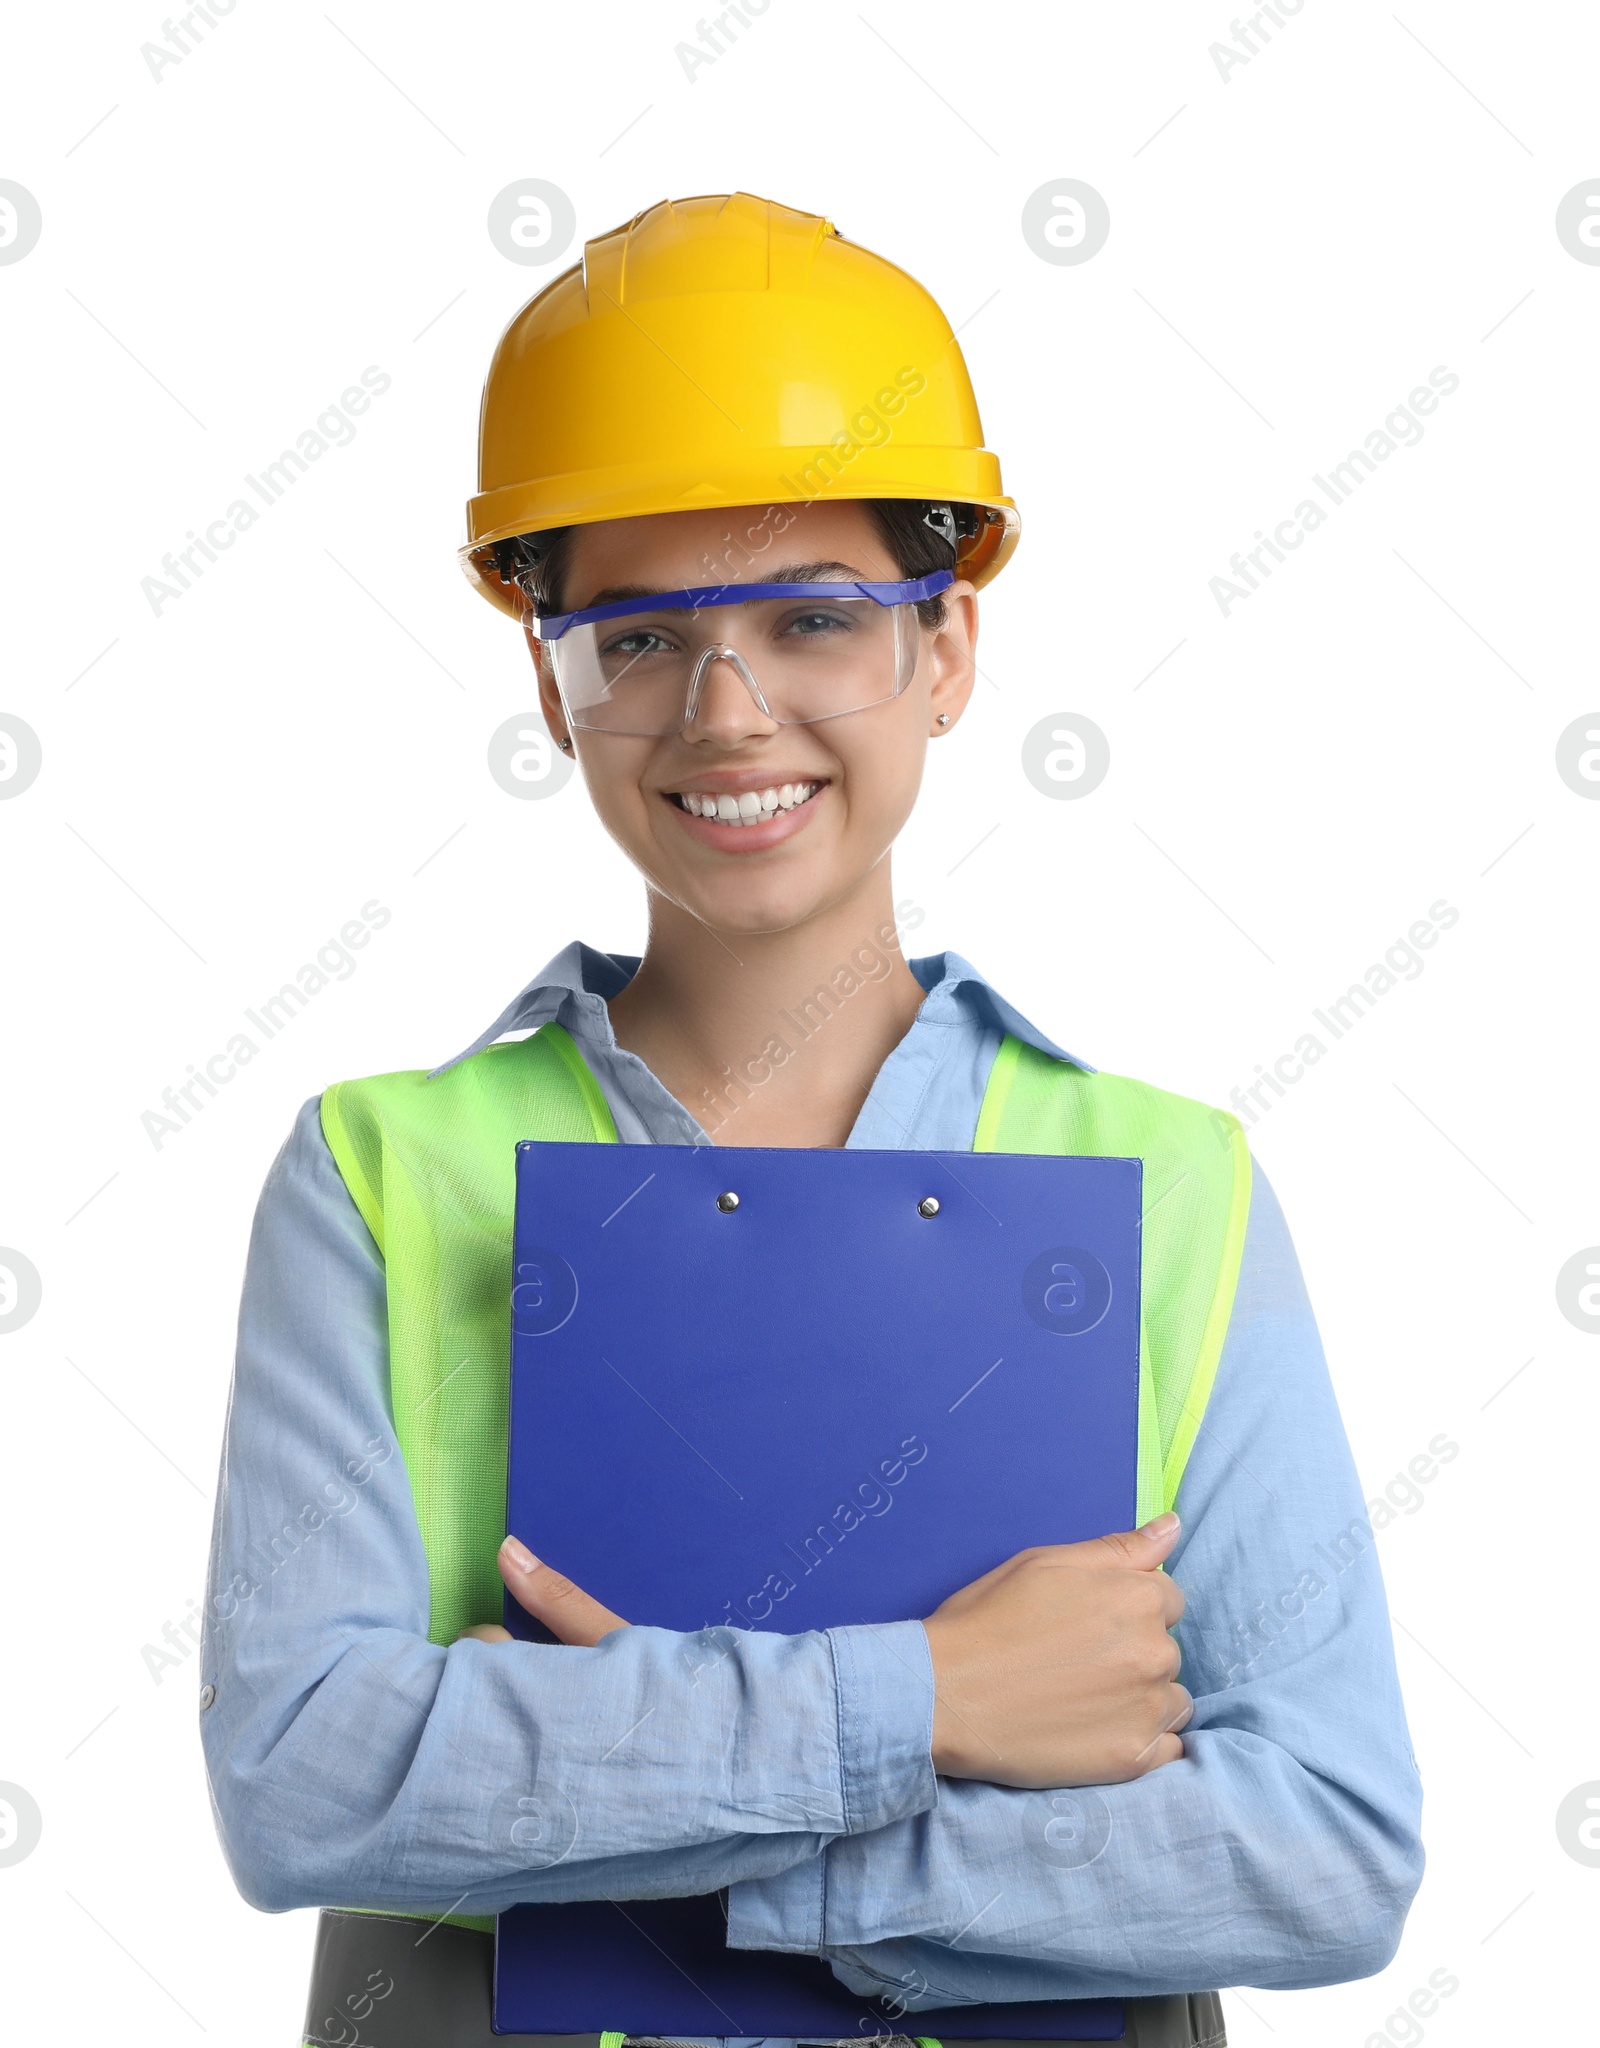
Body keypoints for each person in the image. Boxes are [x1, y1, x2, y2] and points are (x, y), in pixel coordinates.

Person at [200, 192, 1423, 2048]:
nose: (725, 709)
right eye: (637, 636)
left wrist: (763, 1857)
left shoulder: (1171, 1185)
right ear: (556, 683)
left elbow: (1326, 1851)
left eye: (813, 618)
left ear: (945, 651)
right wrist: (927, 1702)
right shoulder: (378, 1173)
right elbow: (303, 1776)